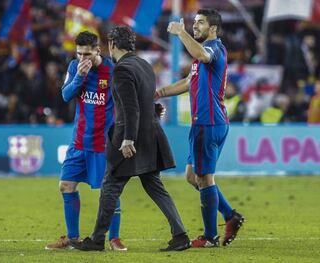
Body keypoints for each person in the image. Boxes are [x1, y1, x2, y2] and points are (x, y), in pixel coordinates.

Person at [70, 26, 191, 252]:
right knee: (155, 186)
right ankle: (180, 235)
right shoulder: (144, 64)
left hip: (131, 137)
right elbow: (143, 100)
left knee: (110, 186)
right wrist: (154, 110)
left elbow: (130, 107)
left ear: (113, 45)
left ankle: (97, 240)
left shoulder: (121, 70)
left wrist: (127, 139)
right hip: (151, 134)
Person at [155, 9, 244, 247]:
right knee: (193, 176)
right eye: (193, 23)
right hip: (202, 123)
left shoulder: (214, 48)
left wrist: (181, 32)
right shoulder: (202, 55)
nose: (195, 26)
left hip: (209, 122)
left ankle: (210, 236)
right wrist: (160, 93)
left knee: (204, 178)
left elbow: (202, 55)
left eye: (200, 23)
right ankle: (229, 215)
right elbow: (188, 81)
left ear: (213, 28)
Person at [45, 31, 127, 251]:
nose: (83, 58)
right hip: (79, 141)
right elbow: (65, 95)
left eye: (87, 54)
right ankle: (72, 239)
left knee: (108, 191)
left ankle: (115, 238)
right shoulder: (74, 68)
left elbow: (127, 99)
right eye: (79, 53)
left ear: (98, 51)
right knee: (65, 185)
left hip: (103, 144)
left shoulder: (112, 70)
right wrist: (80, 77)